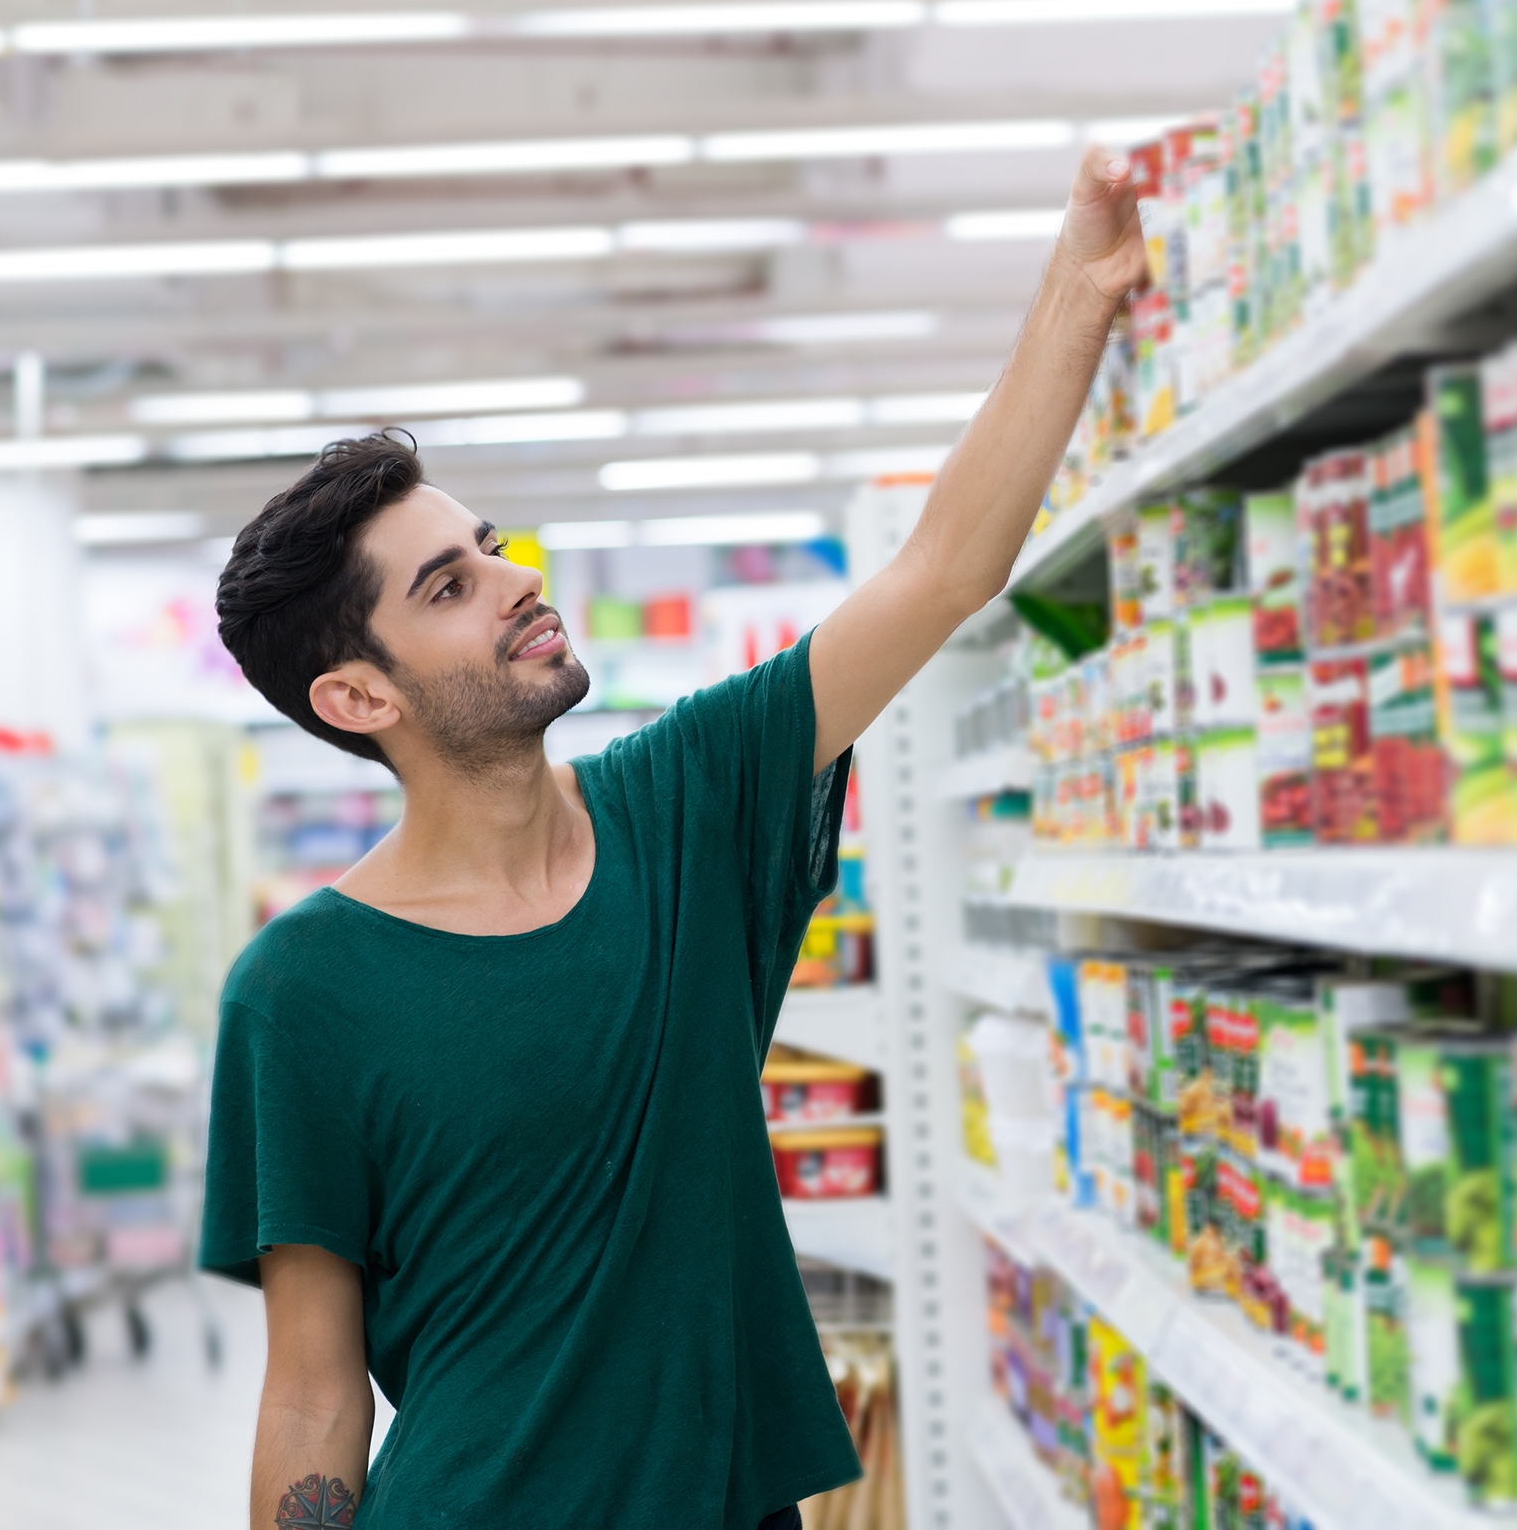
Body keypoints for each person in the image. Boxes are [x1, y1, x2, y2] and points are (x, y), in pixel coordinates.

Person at [200, 146, 1145, 1530]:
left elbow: (940, 566)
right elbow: (311, 1390)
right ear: (359, 695)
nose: (518, 579)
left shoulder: (687, 806)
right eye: (450, 584)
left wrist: (1082, 285)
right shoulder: (299, 992)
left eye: (495, 543)